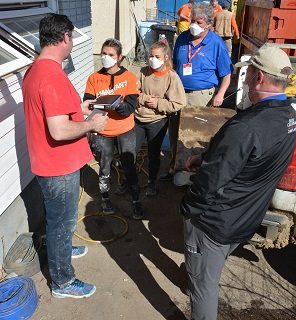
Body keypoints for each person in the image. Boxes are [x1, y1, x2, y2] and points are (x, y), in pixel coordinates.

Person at [180, 45, 296, 320]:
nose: (242, 79)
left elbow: (210, 181)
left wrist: (189, 209)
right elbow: (248, 159)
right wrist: (206, 158)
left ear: (258, 77)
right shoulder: (290, 117)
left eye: (247, 74)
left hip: (215, 224)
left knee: (203, 288)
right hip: (247, 217)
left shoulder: (247, 126)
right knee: (209, 269)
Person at [22, 13, 108, 298]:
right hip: (59, 167)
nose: (72, 43)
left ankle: (62, 249)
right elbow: (58, 130)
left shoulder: (37, 69)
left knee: (57, 218)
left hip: (47, 163)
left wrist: (81, 106)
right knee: (63, 222)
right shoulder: (52, 76)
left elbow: (55, 109)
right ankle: (62, 282)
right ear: (63, 38)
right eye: (71, 37)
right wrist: (92, 123)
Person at [161, 2, 232, 181]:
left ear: (209, 24)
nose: (194, 25)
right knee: (175, 131)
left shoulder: (216, 44)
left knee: (194, 135)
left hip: (201, 96)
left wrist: (220, 94)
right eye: (193, 20)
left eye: (199, 22)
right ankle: (174, 168)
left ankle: (191, 172)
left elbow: (226, 74)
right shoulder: (183, 38)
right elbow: (175, 66)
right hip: (178, 93)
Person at [83, 38, 143, 219]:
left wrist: (116, 104)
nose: (106, 57)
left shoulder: (129, 78)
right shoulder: (94, 78)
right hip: (103, 131)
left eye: (110, 55)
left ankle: (135, 200)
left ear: (119, 57)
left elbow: (129, 108)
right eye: (103, 53)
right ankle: (105, 198)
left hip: (125, 130)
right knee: (104, 167)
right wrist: (101, 106)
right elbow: (89, 105)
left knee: (129, 166)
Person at [134, 41, 186, 196]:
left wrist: (159, 103)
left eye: (157, 56)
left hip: (157, 121)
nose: (152, 59)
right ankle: (128, 181)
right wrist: (143, 98)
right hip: (138, 119)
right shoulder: (142, 72)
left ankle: (152, 182)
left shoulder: (172, 77)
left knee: (153, 153)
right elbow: (132, 92)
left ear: (166, 57)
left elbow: (179, 102)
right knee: (131, 151)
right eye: (151, 56)